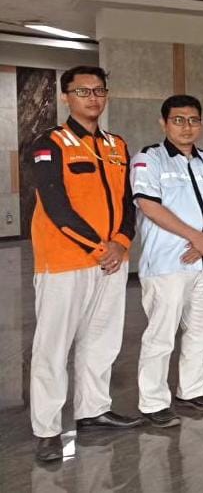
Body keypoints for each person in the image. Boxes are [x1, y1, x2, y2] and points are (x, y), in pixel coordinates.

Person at [28, 66, 142, 463]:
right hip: (64, 263)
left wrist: (121, 243)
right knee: (53, 346)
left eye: (99, 91)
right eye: (83, 91)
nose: (93, 98)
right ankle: (47, 429)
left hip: (111, 261)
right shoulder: (50, 142)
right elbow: (56, 205)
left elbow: (127, 202)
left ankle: (93, 410)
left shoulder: (116, 144)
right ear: (66, 97)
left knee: (102, 339)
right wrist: (100, 248)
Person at [131, 95, 203, 428]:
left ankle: (192, 390)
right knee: (161, 335)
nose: (186, 127)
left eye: (193, 120)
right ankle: (153, 401)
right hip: (168, 264)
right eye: (178, 120)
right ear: (164, 123)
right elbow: (149, 205)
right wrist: (195, 237)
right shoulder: (149, 159)